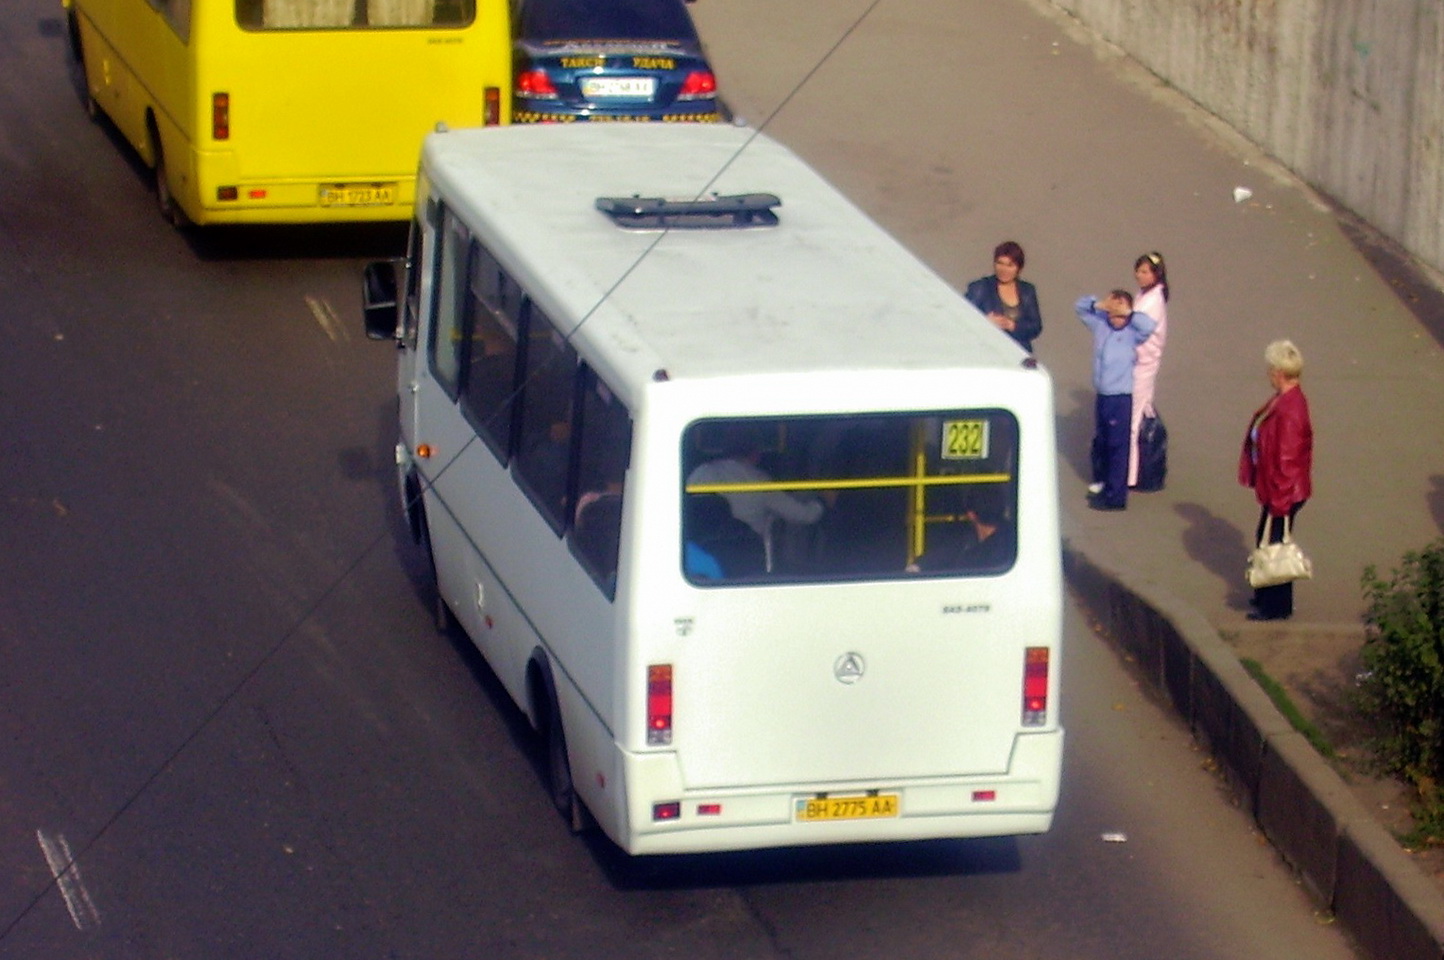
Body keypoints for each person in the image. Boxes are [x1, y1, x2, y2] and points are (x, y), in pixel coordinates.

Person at [1238, 340, 1313, 621]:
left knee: (1275, 547)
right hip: (1280, 487)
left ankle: (1276, 607)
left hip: (1283, 490)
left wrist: (1279, 501)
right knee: (1269, 540)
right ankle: (1265, 597)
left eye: (1270, 369)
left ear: (1278, 372)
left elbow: (1287, 459)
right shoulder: (1286, 399)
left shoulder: (1289, 408)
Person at [686, 428, 828, 569]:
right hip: (746, 561)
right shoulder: (758, 481)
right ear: (756, 453)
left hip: (697, 558)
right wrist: (823, 499)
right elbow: (804, 515)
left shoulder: (700, 473)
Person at [1076, 290, 1157, 511]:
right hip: (1102, 394)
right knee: (1102, 441)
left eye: (1119, 313)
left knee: (1116, 446)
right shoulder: (1101, 325)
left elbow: (1150, 326)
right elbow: (1080, 307)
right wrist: (1099, 304)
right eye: (1112, 312)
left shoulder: (1133, 331)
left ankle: (1115, 496)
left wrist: (1129, 313)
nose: (1115, 317)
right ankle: (1104, 484)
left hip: (1119, 397)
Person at [1128, 251, 1169, 488]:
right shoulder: (1145, 295)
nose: (1140, 276)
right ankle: (1141, 469)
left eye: (1146, 272)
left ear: (1156, 274)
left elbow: (1140, 333)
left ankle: (1131, 475)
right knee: (1143, 412)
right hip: (1139, 363)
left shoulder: (1153, 301)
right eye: (1139, 271)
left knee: (1133, 420)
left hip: (1142, 365)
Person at [965, 240, 1044, 352]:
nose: (1003, 269)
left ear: (1019, 268)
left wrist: (1013, 326)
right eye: (999, 263)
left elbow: (1035, 327)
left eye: (1010, 265)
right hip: (988, 350)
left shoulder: (1027, 291)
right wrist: (985, 322)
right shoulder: (981, 287)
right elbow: (963, 319)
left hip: (1019, 352)